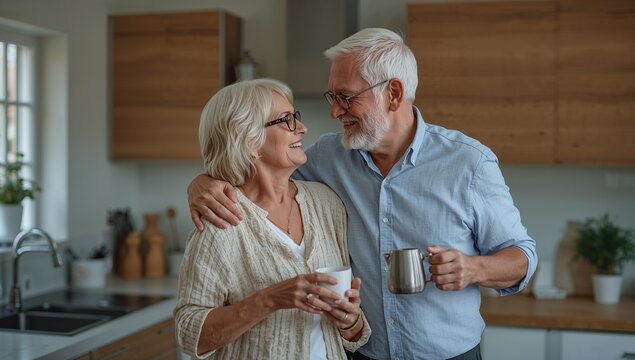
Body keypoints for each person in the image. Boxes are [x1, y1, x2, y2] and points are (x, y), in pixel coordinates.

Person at [187, 29, 537, 360]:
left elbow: (522, 257)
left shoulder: (468, 163)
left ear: (393, 94)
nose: (334, 111)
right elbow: (257, 169)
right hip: (361, 355)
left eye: (346, 97)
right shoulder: (327, 157)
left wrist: (474, 268)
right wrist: (202, 181)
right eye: (332, 96)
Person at [174, 78, 371, 360]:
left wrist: (350, 322)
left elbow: (349, 332)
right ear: (248, 140)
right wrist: (269, 299)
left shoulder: (326, 204)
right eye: (285, 120)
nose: (302, 128)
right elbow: (190, 333)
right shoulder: (220, 221)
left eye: (296, 117)